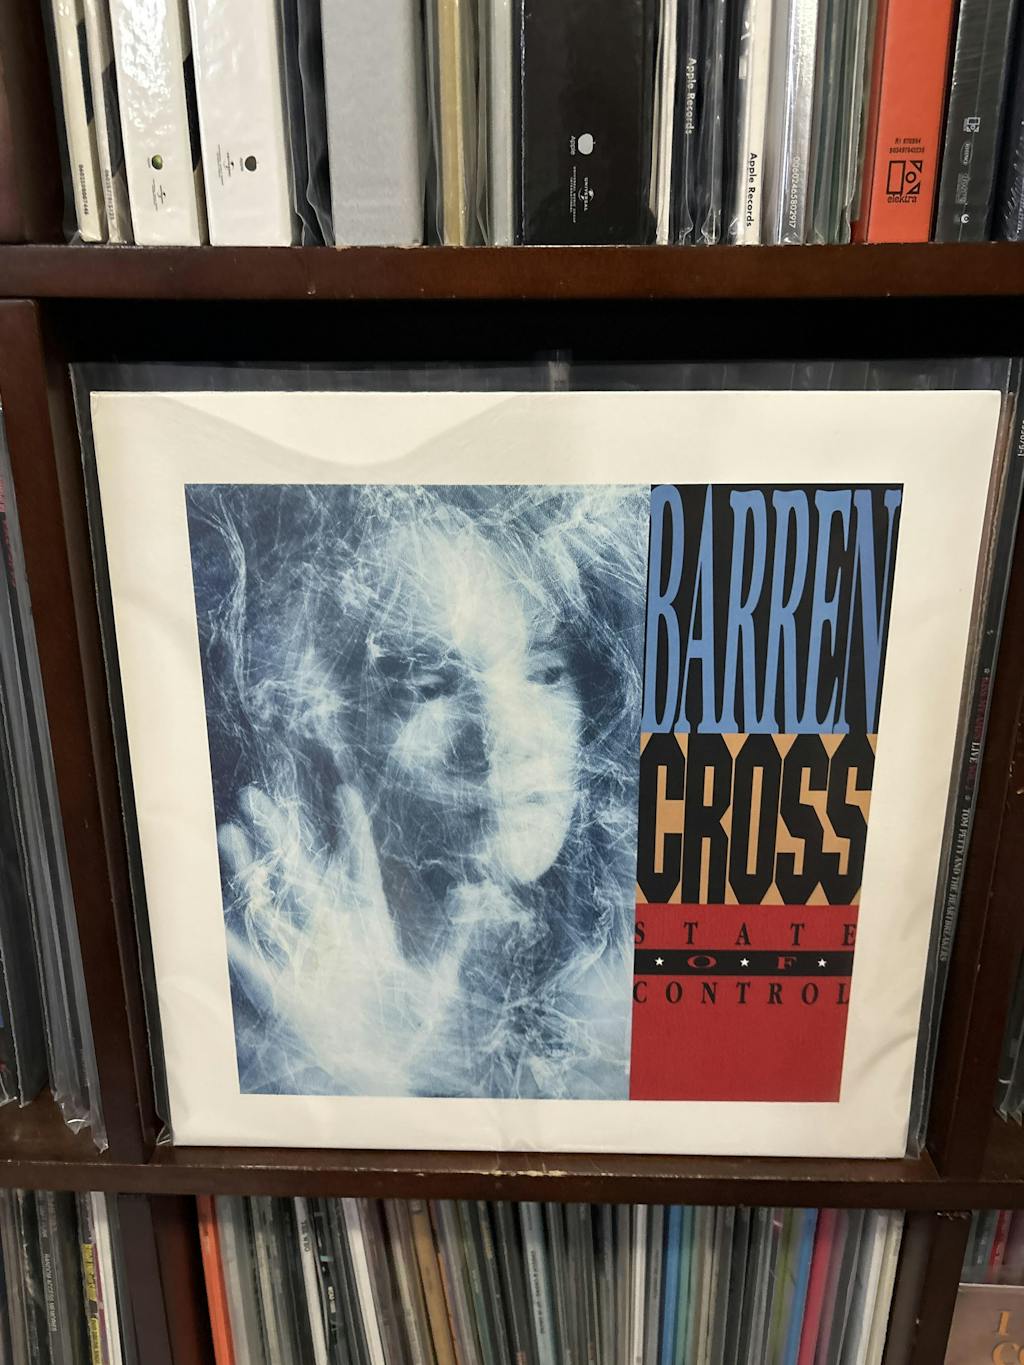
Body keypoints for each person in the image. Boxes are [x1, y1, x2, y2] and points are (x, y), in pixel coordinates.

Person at [186, 482, 648, 1100]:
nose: (502, 738)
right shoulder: (247, 999)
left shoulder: (620, 993)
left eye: (545, 672)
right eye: (428, 688)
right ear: (321, 722)